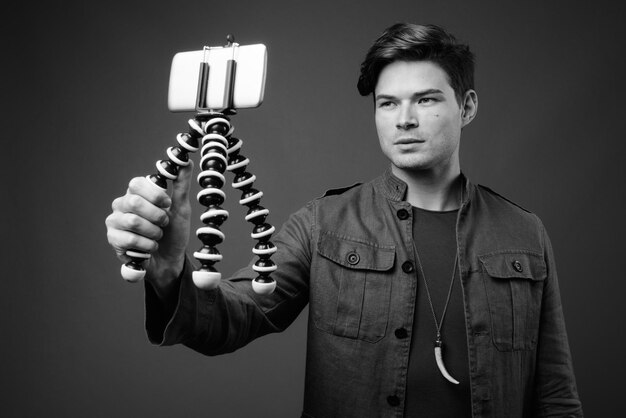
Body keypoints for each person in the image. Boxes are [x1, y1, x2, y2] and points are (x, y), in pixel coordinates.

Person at [105, 23, 583, 417]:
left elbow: (556, 396)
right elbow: (230, 319)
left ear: (468, 107)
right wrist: (169, 268)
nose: (405, 119)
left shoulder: (525, 234)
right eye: (388, 103)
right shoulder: (323, 223)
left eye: (427, 99)